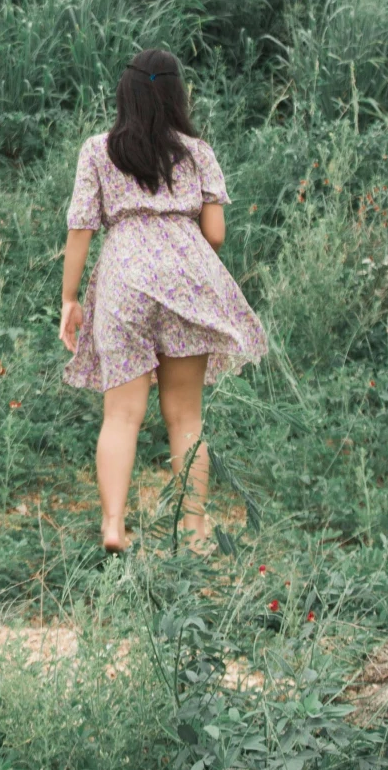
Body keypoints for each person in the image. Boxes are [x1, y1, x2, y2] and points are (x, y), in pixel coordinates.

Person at [59, 48, 266, 551]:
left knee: (121, 415)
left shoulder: (97, 149)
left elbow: (81, 227)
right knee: (185, 416)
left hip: (124, 277)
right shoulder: (197, 152)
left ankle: (112, 525)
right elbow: (215, 234)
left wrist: (69, 299)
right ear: (178, 95)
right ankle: (193, 532)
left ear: (124, 94)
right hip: (187, 280)